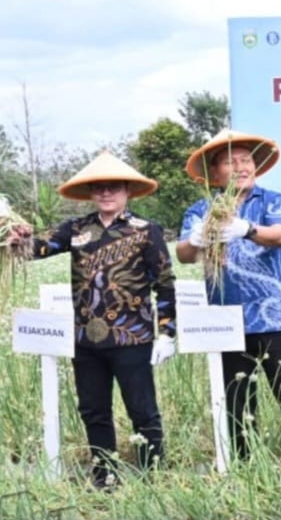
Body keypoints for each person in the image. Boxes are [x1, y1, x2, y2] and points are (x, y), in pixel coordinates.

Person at [8, 151, 176, 488]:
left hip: (133, 337)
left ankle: (152, 474)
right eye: (98, 188)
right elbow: (41, 249)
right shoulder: (76, 228)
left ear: (127, 190)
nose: (105, 193)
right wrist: (18, 236)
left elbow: (165, 284)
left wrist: (167, 332)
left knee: (142, 409)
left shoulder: (146, 230)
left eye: (113, 186)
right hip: (86, 339)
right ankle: (104, 473)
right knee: (93, 409)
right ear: (90, 193)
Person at [176, 130, 281, 470]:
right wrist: (196, 241)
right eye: (231, 162)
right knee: (237, 400)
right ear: (215, 173)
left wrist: (247, 229)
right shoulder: (201, 209)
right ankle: (241, 466)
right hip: (225, 320)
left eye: (247, 160)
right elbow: (184, 254)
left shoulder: (272, 200)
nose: (242, 167)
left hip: (275, 318)